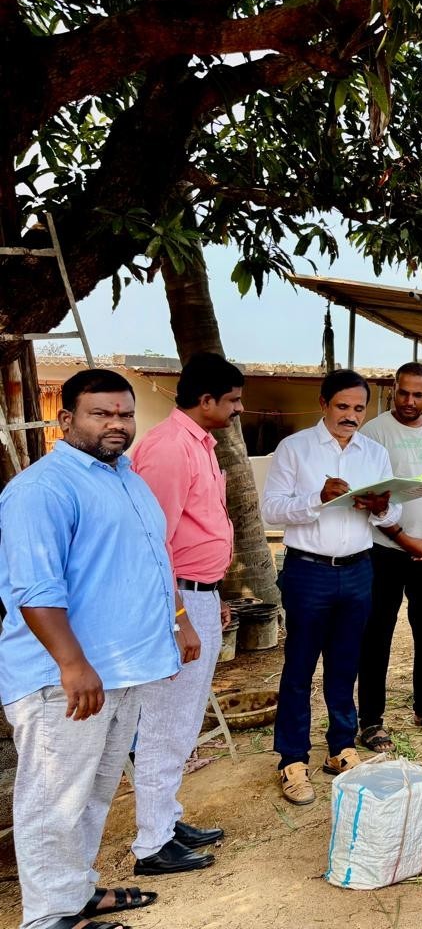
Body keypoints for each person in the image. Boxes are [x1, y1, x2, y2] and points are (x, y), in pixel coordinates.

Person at [0, 369, 181, 929]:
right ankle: (50, 915)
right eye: (100, 414)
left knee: (93, 793)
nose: (116, 424)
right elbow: (35, 588)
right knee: (53, 799)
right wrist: (72, 663)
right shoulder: (42, 488)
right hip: (65, 679)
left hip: (120, 671)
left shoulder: (125, 476)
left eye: (124, 414)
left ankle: (76, 891)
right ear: (67, 418)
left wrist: (179, 623)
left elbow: (145, 560)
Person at [262, 369, 401, 804]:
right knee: (300, 666)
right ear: (323, 404)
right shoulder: (295, 448)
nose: (351, 416)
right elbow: (272, 510)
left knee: (346, 664)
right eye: (343, 407)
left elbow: (391, 516)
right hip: (308, 570)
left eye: (359, 408)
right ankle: (292, 759)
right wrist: (317, 500)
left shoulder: (374, 453)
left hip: (359, 569)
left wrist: (381, 508)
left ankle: (341, 748)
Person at [128, 352, 244, 875]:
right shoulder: (170, 449)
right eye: (234, 400)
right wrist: (178, 615)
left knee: (184, 718)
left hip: (198, 593)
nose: (239, 409)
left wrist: (210, 597)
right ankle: (151, 844)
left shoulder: (198, 443)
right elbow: (153, 544)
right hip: (172, 598)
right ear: (206, 401)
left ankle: (167, 820)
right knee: (164, 723)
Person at [357, 362, 422, 750]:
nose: (409, 401)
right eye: (403, 393)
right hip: (385, 551)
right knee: (377, 635)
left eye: (418, 394)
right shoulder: (374, 432)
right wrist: (405, 541)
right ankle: (370, 720)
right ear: (392, 391)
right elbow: (368, 498)